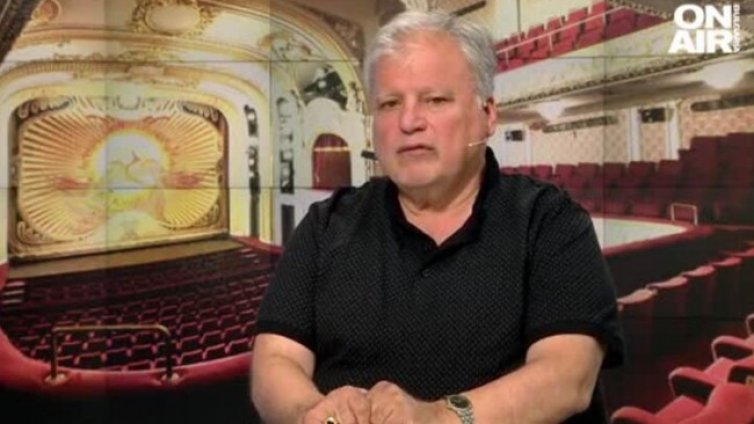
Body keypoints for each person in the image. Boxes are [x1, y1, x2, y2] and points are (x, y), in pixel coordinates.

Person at [251, 10, 623, 424]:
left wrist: (438, 418)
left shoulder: (550, 221)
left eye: (435, 100)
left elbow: (567, 378)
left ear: (488, 114)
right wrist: (312, 413)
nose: (409, 122)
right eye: (390, 104)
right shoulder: (324, 226)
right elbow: (276, 359)